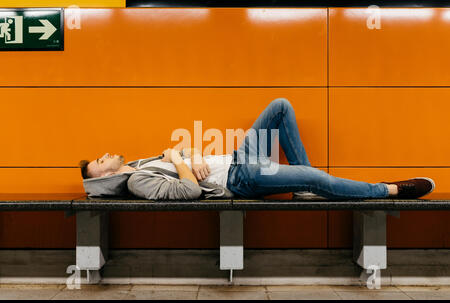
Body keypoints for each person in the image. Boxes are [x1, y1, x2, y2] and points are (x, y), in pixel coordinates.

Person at [79, 98, 435, 200]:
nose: (106, 153)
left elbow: (180, 153)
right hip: (241, 178)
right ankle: (389, 190)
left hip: (238, 157)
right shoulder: (136, 183)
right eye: (100, 159)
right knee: (313, 176)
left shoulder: (141, 164)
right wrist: (176, 157)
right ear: (106, 174)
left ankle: (305, 189)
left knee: (280, 107)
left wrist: (186, 154)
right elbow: (187, 190)